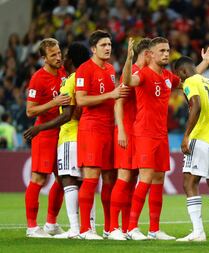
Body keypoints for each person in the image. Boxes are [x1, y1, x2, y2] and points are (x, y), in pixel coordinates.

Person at [122, 37, 209, 240]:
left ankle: (154, 230)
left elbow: (191, 78)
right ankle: (131, 228)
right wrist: (129, 60)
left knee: (158, 179)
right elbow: (128, 81)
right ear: (151, 54)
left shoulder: (167, 77)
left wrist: (205, 62)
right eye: (162, 50)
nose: (166, 53)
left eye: (167, 50)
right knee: (145, 178)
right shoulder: (143, 73)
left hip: (160, 134)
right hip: (144, 133)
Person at [75, 30, 129, 240]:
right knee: (91, 178)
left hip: (109, 128)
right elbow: (80, 100)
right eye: (103, 45)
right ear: (93, 48)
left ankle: (109, 228)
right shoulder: (84, 69)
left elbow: (115, 99)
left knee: (110, 178)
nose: (108, 48)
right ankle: (85, 230)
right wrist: (111, 94)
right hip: (91, 129)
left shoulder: (110, 69)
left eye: (109, 44)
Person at [174, 56, 209, 242]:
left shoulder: (190, 81)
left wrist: (187, 135)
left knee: (189, 182)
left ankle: (198, 232)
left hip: (201, 136)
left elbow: (195, 104)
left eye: (179, 76)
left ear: (182, 72)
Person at [24, 38, 70, 238]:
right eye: (53, 55)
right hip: (44, 134)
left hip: (61, 132)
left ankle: (51, 223)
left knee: (61, 179)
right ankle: (32, 227)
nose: (59, 58)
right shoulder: (37, 79)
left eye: (59, 53)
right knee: (38, 179)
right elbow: (29, 111)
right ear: (44, 58)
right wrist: (54, 102)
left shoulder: (62, 73)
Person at [108, 38, 152, 240]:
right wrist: (122, 130)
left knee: (133, 179)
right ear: (146, 54)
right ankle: (112, 227)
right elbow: (118, 103)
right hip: (126, 132)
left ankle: (126, 228)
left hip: (139, 134)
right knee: (124, 178)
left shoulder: (147, 74)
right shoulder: (132, 72)